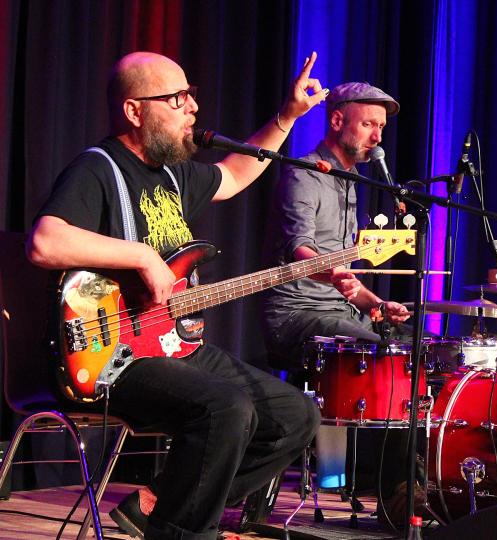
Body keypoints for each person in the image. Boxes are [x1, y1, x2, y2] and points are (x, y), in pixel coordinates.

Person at [27, 51, 327, 539]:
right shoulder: (98, 168)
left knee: (296, 415)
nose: (192, 107)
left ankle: (161, 506)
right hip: (111, 356)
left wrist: (286, 117)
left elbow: (234, 175)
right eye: (176, 98)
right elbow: (44, 241)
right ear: (134, 110)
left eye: (189, 95)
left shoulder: (173, 173)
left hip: (172, 345)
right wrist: (142, 256)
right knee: (226, 408)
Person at [261, 81, 410, 362]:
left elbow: (345, 280)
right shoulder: (303, 177)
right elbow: (300, 251)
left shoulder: (348, 181)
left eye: (381, 127)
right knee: (387, 356)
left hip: (341, 311)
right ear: (337, 120)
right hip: (297, 314)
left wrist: (377, 304)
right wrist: (333, 275)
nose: (377, 137)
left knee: (423, 346)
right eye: (368, 124)